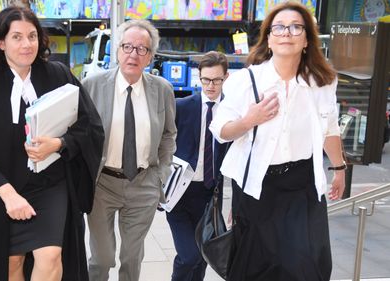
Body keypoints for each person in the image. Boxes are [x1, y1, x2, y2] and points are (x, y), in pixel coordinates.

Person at [0, 6, 104, 281]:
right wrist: (8, 194)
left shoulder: (58, 75)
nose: (27, 44)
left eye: (32, 36)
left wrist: (59, 144)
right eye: (17, 37)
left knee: (50, 255)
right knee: (11, 262)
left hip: (49, 183)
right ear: (1, 42)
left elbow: (90, 127)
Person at [209, 2, 345, 281]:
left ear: (307, 39)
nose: (287, 33)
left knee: (306, 266)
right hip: (257, 185)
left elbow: (329, 127)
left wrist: (339, 168)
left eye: (296, 27)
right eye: (279, 27)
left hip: (303, 183)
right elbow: (220, 130)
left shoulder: (323, 82)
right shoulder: (245, 81)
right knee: (256, 266)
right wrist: (249, 120)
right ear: (269, 38)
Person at [82, 19, 177, 281]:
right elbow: (79, 132)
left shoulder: (162, 90)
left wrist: (162, 173)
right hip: (103, 184)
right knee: (102, 259)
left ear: (150, 56)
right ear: (117, 50)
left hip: (143, 183)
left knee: (132, 258)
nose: (133, 54)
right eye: (127, 46)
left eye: (141, 49)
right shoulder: (93, 85)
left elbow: (169, 134)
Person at [166, 51, 230, 281]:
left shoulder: (233, 113)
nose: (210, 85)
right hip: (179, 193)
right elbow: (161, 143)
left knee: (203, 256)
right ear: (199, 77)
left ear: (226, 78)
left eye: (216, 80)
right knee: (189, 255)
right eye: (205, 80)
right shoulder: (182, 106)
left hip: (209, 194)